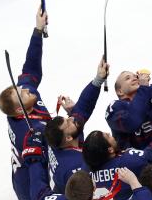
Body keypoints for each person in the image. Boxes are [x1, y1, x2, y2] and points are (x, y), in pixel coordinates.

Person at [83, 84, 152, 200]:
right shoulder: (131, 161)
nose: (109, 133)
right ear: (109, 150)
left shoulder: (88, 170)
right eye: (107, 136)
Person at [0, 7, 52, 200]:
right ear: (20, 111)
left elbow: (30, 67)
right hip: (31, 190)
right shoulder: (28, 132)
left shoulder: (23, 104)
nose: (27, 90)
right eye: (23, 93)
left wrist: (37, 31)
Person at [44, 57, 109, 192]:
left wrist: (98, 79)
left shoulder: (58, 139)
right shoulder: (78, 165)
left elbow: (82, 110)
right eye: (68, 123)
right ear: (68, 138)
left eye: (68, 118)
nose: (72, 118)